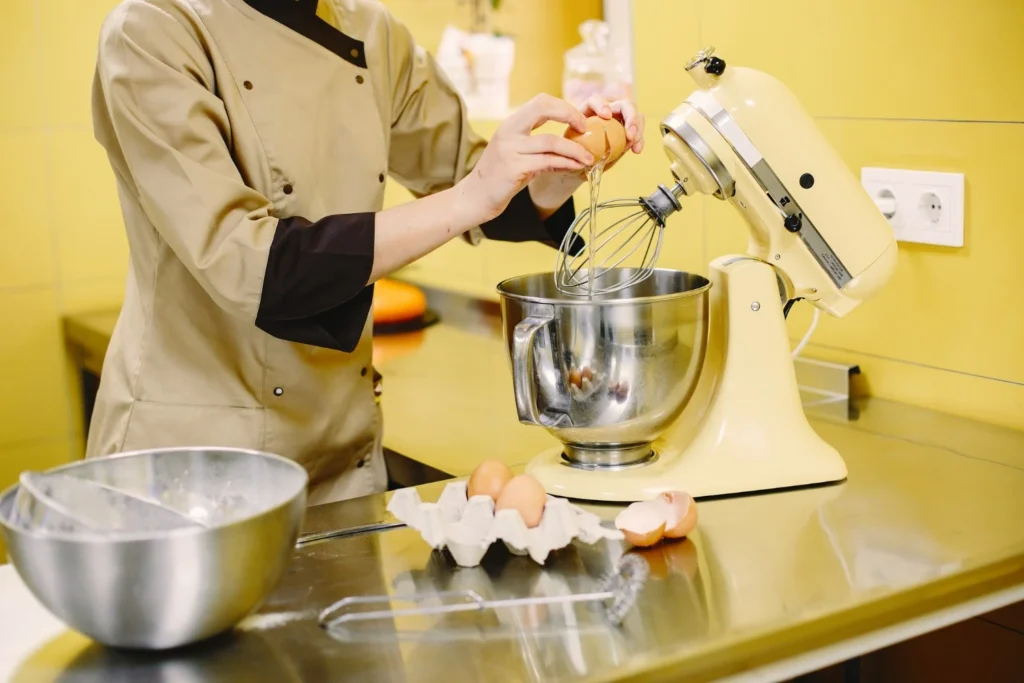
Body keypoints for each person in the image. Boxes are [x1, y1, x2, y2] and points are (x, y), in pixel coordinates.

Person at [88, 0, 646, 505]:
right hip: (196, 469)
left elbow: (482, 188)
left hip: (340, 454)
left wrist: (566, 159)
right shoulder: (154, 32)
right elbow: (253, 266)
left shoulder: (373, 32)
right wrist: (471, 195)